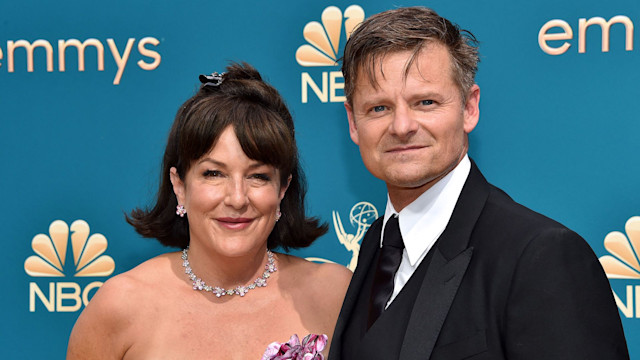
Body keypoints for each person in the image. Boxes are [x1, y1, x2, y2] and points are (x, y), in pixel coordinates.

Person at [328, 7, 629, 360]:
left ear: (469, 108)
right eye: (379, 108)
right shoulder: (375, 244)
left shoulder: (540, 257)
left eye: (425, 102)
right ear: (353, 121)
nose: (402, 126)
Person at [67, 62, 351, 359]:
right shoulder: (121, 305)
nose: (237, 198)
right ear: (179, 184)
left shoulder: (334, 294)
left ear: (282, 189)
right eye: (214, 174)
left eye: (258, 176)